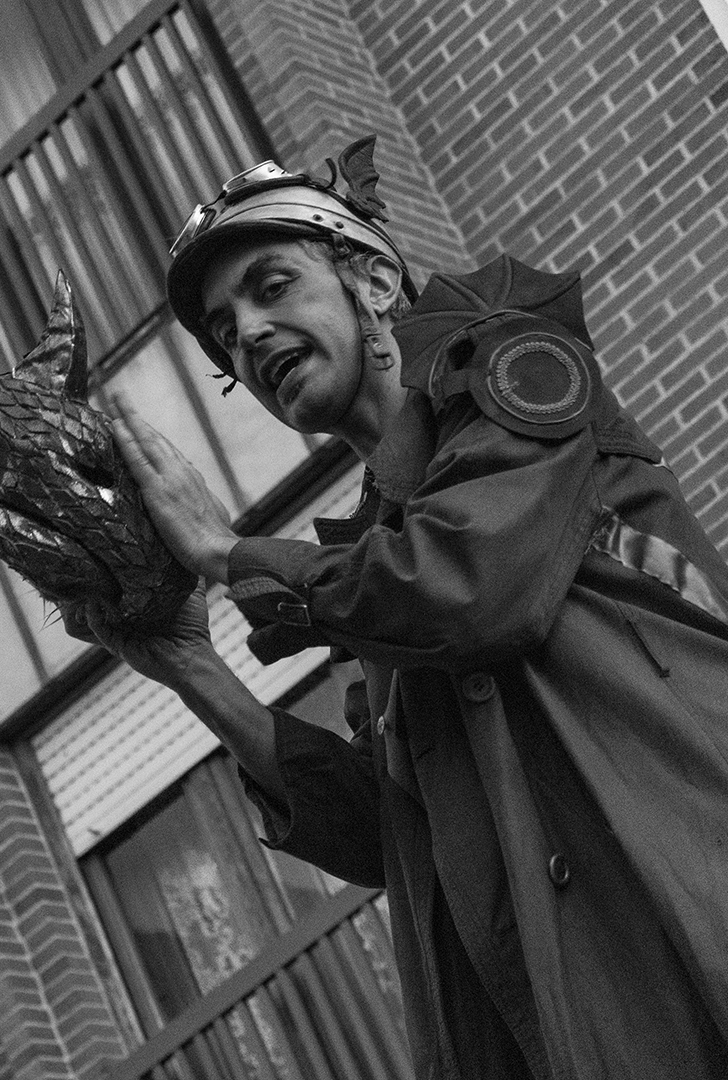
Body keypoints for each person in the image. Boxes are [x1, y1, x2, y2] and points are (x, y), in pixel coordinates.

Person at [91, 138, 728, 1078]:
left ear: (376, 278)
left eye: (272, 286)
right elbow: (382, 830)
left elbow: (470, 588)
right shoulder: (366, 568)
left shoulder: (514, 362)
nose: (251, 335)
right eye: (226, 332)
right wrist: (189, 664)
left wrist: (230, 555)